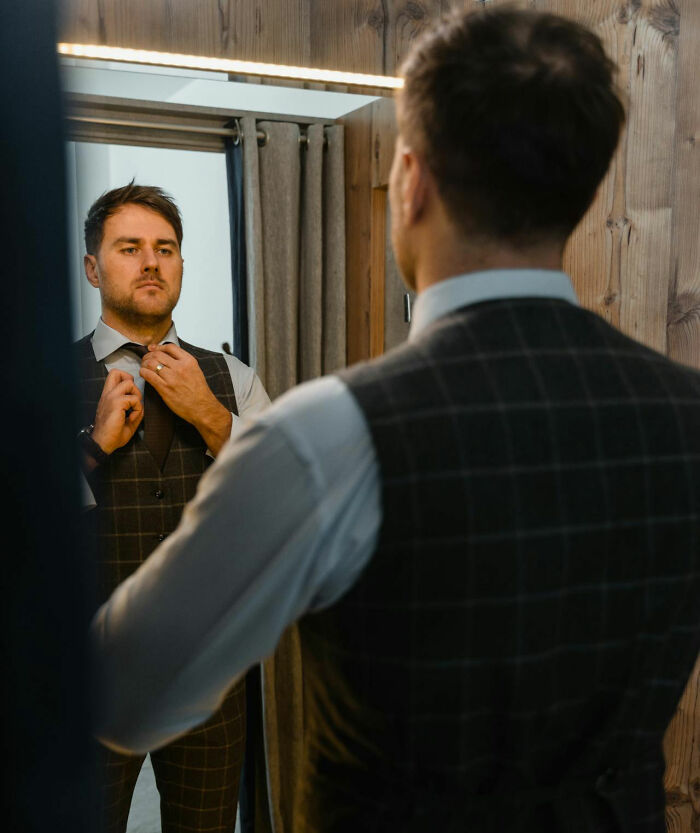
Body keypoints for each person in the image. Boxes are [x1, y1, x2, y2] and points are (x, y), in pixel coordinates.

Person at [91, 8, 700, 833]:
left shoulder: (325, 436)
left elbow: (126, 689)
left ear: (409, 181)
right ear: (583, 192)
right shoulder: (686, 418)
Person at [76, 182, 269, 833]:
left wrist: (213, 418)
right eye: (130, 247)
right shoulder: (39, 380)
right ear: (93, 268)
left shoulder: (234, 380)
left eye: (166, 248)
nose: (152, 262)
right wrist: (93, 448)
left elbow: (280, 505)